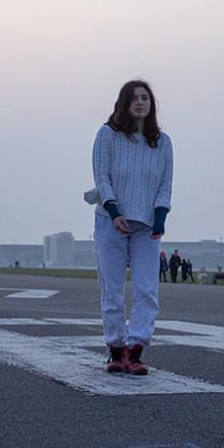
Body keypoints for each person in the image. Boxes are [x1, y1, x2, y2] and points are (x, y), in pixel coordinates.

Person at [92, 79, 173, 375]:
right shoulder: (107, 136)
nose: (140, 102)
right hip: (110, 222)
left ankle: (136, 351)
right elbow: (102, 178)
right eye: (135, 98)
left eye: (145, 98)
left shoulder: (162, 142)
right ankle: (116, 349)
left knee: (147, 290)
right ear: (124, 104)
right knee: (112, 290)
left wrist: (161, 216)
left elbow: (165, 184)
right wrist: (113, 211)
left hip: (146, 226)